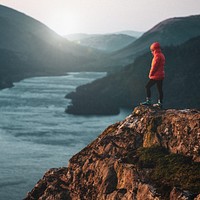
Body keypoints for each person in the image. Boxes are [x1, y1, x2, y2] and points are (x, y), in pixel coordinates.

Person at [140, 42, 165, 108]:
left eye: (152, 50)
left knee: (147, 86)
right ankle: (160, 103)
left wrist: (150, 74)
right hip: (161, 75)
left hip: (156, 76)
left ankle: (148, 101)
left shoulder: (156, 56)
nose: (151, 51)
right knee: (160, 89)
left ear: (153, 49)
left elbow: (154, 67)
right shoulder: (161, 55)